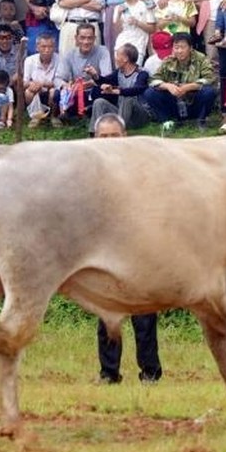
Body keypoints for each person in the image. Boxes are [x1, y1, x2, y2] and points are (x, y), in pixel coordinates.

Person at [91, 111, 162, 385]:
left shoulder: (142, 168)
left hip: (139, 248)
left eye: (114, 136)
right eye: (103, 137)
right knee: (107, 314)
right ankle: (109, 373)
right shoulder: (88, 170)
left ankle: (150, 373)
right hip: (104, 252)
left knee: (145, 314)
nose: (109, 142)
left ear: (125, 137)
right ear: (95, 138)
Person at [141, 32, 216, 128]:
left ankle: (201, 120)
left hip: (193, 101)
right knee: (149, 92)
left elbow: (209, 78)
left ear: (190, 47)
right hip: (175, 101)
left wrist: (188, 87)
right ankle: (166, 122)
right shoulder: (168, 61)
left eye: (183, 47)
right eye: (176, 47)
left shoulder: (201, 59)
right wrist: (168, 86)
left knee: (209, 91)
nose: (179, 51)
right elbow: (153, 80)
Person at [88, 43, 151, 132]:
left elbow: (137, 89)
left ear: (125, 59)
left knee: (128, 98)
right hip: (122, 113)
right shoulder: (119, 72)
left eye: (117, 55)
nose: (115, 58)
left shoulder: (142, 73)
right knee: (99, 102)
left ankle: (118, 132)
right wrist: (94, 75)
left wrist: (115, 91)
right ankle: (96, 133)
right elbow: (105, 80)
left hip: (140, 116)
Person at [57, 22, 112, 122]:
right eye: (82, 38)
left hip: (94, 90)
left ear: (94, 39)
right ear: (76, 38)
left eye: (89, 38)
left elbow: (107, 76)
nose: (86, 42)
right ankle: (70, 115)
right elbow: (58, 78)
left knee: (104, 90)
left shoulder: (103, 51)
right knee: (57, 93)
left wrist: (93, 79)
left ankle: (88, 113)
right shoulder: (69, 54)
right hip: (76, 92)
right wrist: (66, 86)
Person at [23, 33, 63, 127]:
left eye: (50, 47)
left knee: (54, 91)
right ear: (37, 47)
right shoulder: (29, 60)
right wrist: (32, 84)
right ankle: (36, 117)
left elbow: (59, 81)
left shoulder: (60, 60)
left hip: (52, 91)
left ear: (54, 47)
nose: (47, 50)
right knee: (28, 92)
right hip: (37, 92)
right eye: (43, 46)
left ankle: (53, 116)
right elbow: (24, 82)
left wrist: (43, 84)